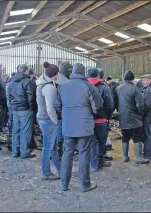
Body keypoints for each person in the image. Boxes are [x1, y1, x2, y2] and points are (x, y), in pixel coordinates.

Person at [56, 63, 103, 192]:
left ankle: (64, 183)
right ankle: (85, 184)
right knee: (84, 154)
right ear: (84, 73)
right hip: (84, 126)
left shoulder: (62, 86)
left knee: (67, 153)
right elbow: (97, 107)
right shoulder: (89, 86)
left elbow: (58, 106)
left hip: (68, 125)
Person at [115, 70, 149, 164]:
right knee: (138, 137)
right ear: (133, 79)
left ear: (124, 78)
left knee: (125, 137)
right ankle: (138, 157)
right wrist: (140, 114)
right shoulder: (135, 89)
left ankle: (125, 156)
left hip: (123, 117)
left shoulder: (117, 89)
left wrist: (120, 112)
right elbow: (140, 105)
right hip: (134, 118)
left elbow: (115, 103)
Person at [36, 62, 61, 180]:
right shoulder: (49, 87)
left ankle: (60, 169)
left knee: (53, 146)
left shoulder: (41, 84)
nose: (57, 76)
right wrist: (55, 120)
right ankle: (46, 173)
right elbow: (50, 107)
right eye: (57, 74)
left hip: (42, 118)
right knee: (47, 148)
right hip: (48, 120)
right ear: (53, 74)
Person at [87, 68, 114, 171]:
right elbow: (109, 105)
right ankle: (100, 161)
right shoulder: (104, 87)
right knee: (101, 142)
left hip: (88, 120)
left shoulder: (85, 86)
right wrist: (107, 116)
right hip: (101, 120)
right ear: (98, 76)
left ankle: (92, 163)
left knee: (91, 142)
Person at [8, 64, 36, 159]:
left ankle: (15, 152)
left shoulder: (11, 81)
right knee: (26, 131)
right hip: (25, 109)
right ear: (26, 71)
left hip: (15, 109)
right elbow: (31, 97)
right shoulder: (28, 82)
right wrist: (32, 108)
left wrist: (13, 105)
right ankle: (24, 152)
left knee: (16, 130)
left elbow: (9, 96)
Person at [55, 61, 73, 158]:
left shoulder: (54, 79)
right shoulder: (66, 83)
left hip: (56, 113)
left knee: (58, 135)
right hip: (62, 114)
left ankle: (57, 152)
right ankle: (61, 153)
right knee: (62, 135)